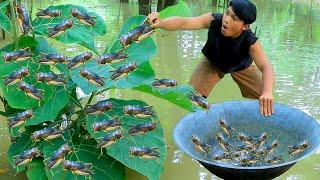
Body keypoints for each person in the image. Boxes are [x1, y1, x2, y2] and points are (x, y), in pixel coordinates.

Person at [147, 0, 275, 116]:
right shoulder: (214, 20)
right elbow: (184, 23)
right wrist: (161, 22)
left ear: (245, 26)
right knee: (191, 99)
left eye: (234, 18)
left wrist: (267, 91)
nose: (227, 19)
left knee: (265, 99)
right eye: (227, 13)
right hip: (212, 63)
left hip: (241, 66)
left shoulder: (250, 41)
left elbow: (266, 67)